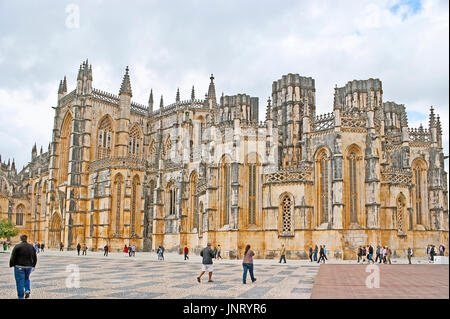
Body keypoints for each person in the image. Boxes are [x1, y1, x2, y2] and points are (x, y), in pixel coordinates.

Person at [9, 235, 37, 299]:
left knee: (20, 281)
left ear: (20, 239)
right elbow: (35, 257)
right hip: (29, 266)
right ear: (26, 239)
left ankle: (20, 297)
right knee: (27, 279)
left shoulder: (17, 246)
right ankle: (27, 290)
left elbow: (13, 256)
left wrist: (12, 264)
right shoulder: (31, 247)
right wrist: (33, 265)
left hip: (19, 266)